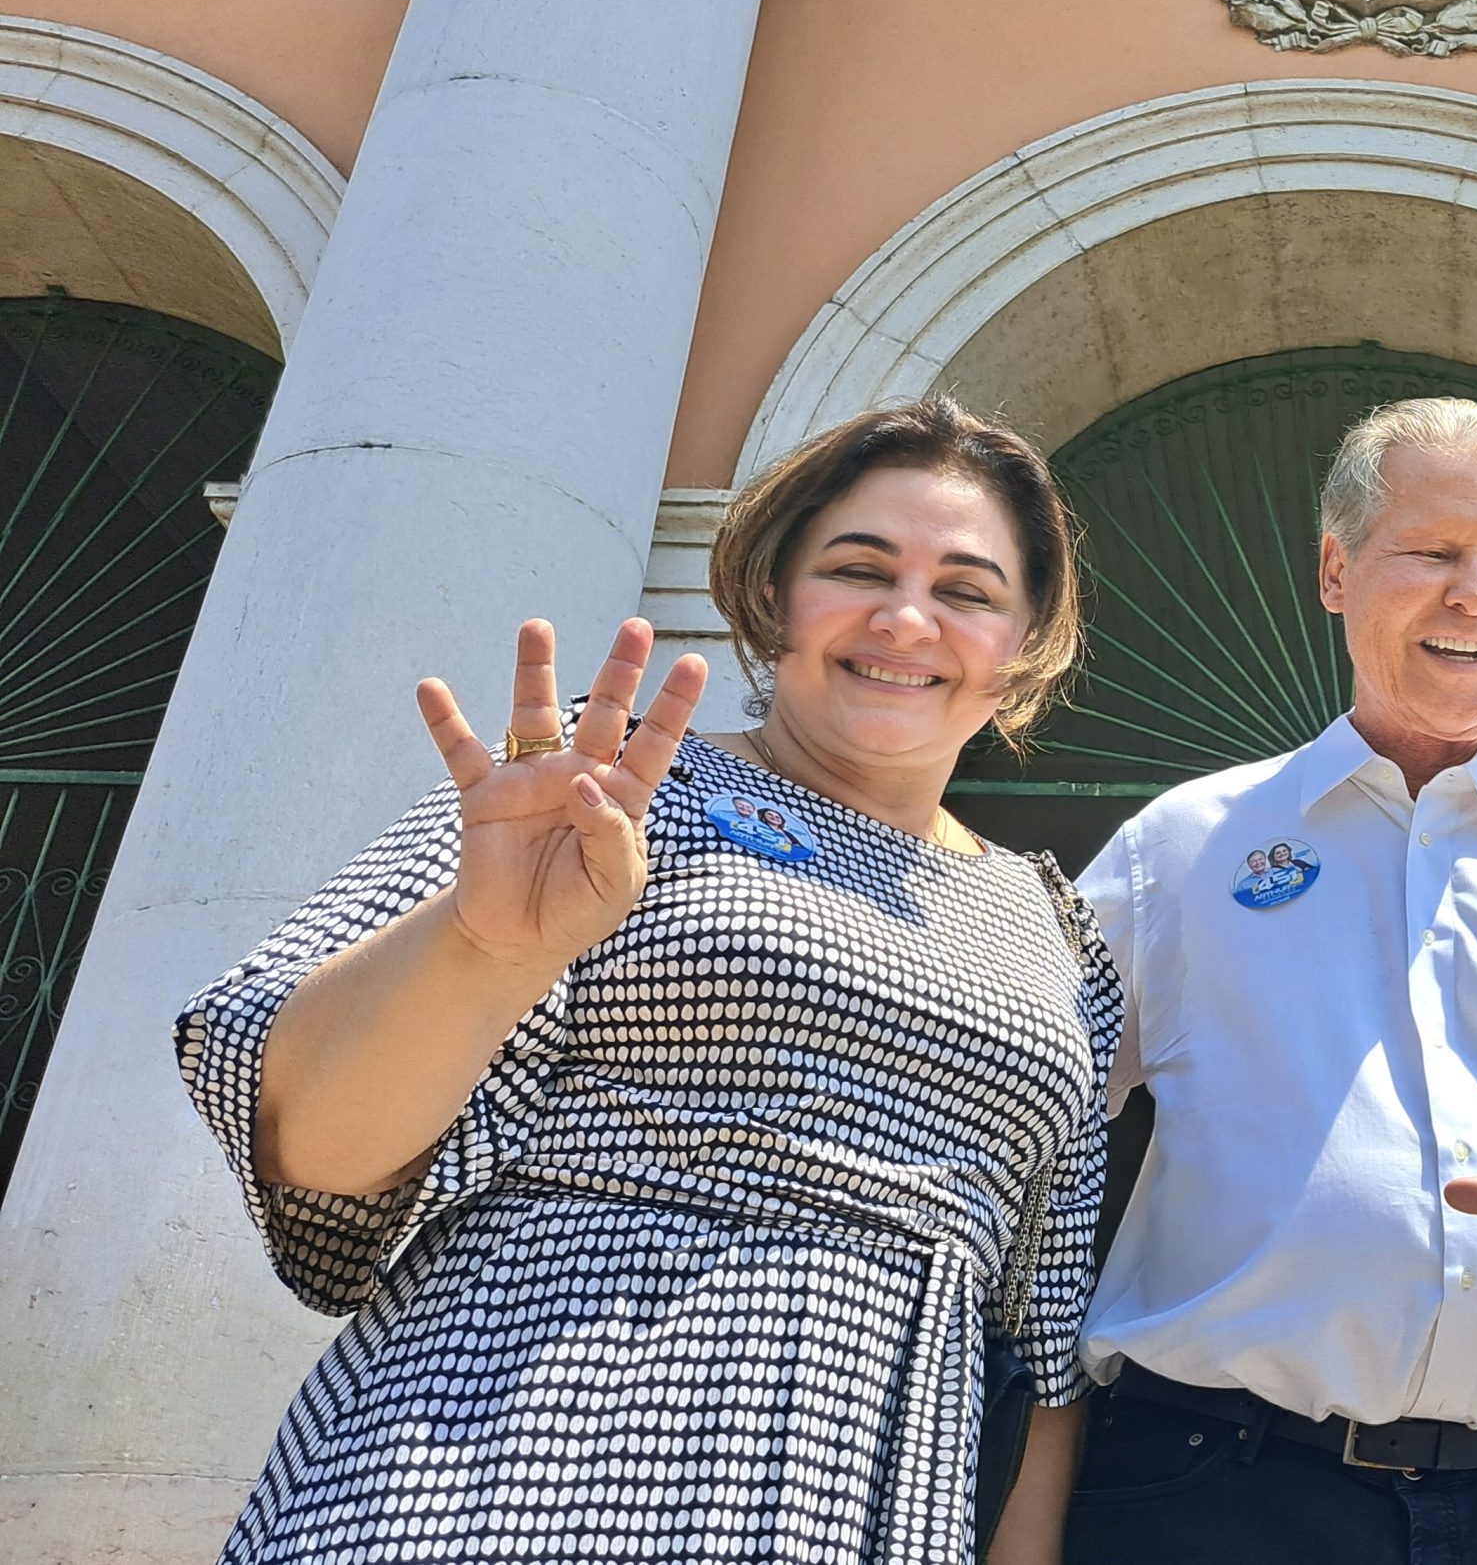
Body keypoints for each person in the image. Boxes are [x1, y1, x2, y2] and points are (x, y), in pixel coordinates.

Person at [173, 397, 1120, 1565]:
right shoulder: (601, 786)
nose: (907, 616)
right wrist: (484, 946)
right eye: (857, 567)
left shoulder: (1056, 924)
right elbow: (311, 1148)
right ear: (774, 597)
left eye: (969, 590)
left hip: (875, 1482)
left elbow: (1043, 1328)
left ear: (1025, 644)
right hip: (503, 1453)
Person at [1064, 396, 1477, 1565]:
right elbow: (1025, 1096)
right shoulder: (1182, 845)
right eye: (1432, 553)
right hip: (1211, 1492)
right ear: (1336, 570)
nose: (1474, 595)